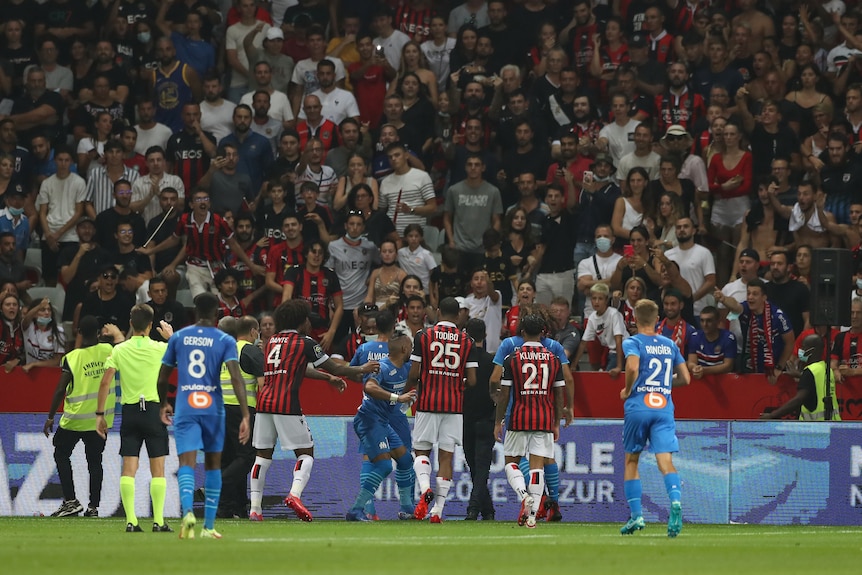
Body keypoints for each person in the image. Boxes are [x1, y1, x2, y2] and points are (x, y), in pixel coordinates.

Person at [248, 299, 378, 521]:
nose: (310, 323)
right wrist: (361, 368)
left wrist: (327, 378)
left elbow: (298, 368)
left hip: (264, 404)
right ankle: (294, 494)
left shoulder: (271, 342)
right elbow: (336, 366)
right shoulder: (305, 342)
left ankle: (255, 509)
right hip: (286, 404)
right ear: (301, 321)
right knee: (306, 453)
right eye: (308, 319)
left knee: (262, 457)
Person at [157, 292, 251, 540]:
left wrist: (164, 403)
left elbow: (163, 376)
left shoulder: (178, 337)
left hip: (186, 404)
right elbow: (235, 377)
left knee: (186, 463)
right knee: (213, 464)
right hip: (213, 407)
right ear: (216, 313)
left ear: (195, 311)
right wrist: (244, 414)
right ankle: (208, 526)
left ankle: (188, 513)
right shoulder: (224, 339)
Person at [95, 304, 173, 532]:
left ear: (130, 323)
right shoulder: (160, 348)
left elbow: (105, 382)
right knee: (157, 469)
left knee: (129, 468)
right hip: (153, 411)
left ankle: (131, 521)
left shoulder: (120, 350)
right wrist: (171, 337)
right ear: (151, 325)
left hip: (129, 412)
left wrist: (100, 414)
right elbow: (187, 357)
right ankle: (158, 521)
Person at [619, 298, 690, 537]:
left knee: (631, 461)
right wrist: (662, 386)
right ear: (657, 319)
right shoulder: (670, 344)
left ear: (635, 319)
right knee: (665, 461)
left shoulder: (633, 341)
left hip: (639, 405)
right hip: (663, 408)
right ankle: (676, 502)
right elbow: (686, 379)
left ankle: (637, 516)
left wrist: (628, 390)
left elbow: (632, 367)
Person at [43, 317, 123, 518]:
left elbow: (61, 389)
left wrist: (51, 417)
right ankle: (93, 508)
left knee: (61, 454)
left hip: (75, 419)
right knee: (95, 463)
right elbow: (126, 346)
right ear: (98, 333)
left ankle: (70, 502)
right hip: (100, 420)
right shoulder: (109, 350)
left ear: (79, 332)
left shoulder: (72, 357)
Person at [408, 297, 478, 522]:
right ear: (458, 316)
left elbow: (415, 373)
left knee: (421, 451)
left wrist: (411, 386)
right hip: (454, 406)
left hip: (428, 402)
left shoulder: (423, 336)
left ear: (437, 312)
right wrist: (457, 383)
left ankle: (426, 487)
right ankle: (437, 510)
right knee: (446, 458)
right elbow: (474, 380)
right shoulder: (467, 340)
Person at [493, 313, 565, 529]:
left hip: (519, 416)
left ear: (522, 332)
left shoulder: (512, 359)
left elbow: (504, 394)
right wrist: (556, 422)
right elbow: (559, 393)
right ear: (543, 333)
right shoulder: (553, 359)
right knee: (538, 468)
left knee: (511, 462)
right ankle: (532, 516)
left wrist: (498, 421)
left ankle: (524, 495)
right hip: (544, 418)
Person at [345, 332, 416, 522]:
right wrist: (397, 398)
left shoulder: (407, 366)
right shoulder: (382, 367)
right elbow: (369, 387)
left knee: (406, 460)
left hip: (382, 421)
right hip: (368, 420)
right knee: (384, 465)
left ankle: (408, 510)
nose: (412, 349)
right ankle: (357, 509)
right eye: (410, 346)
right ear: (403, 349)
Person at [217, 315, 264, 520]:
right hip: (241, 410)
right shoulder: (251, 350)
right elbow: (263, 385)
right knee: (246, 457)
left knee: (228, 459)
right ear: (254, 331)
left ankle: (230, 508)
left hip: (219, 409)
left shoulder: (223, 350)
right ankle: (216, 484)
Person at [715, 278, 795, 381]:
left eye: (755, 294)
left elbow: (790, 342)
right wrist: (724, 299)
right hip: (749, 367)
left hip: (773, 369)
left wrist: (779, 367)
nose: (750, 297)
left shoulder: (778, 316)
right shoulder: (746, 309)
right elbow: (735, 305)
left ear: (764, 297)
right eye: (748, 293)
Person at [462, 318, 496, 521]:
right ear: (485, 336)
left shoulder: (463, 361)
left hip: (465, 419)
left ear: (466, 334)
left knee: (474, 466)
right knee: (481, 467)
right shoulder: (493, 362)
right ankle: (487, 510)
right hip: (487, 419)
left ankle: (474, 508)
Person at [761, 334, 839, 421]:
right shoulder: (826, 368)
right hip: (832, 423)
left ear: (811, 351)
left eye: (803, 347)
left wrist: (772, 415)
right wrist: (800, 375)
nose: (800, 351)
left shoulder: (809, 372)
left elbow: (799, 399)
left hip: (816, 429)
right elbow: (816, 384)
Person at [686, 306, 736, 378]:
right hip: (701, 380)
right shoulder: (694, 337)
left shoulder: (728, 338)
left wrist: (704, 371)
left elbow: (728, 366)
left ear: (718, 322)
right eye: (702, 320)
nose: (705, 324)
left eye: (709, 321)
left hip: (724, 380)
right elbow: (691, 362)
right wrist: (694, 368)